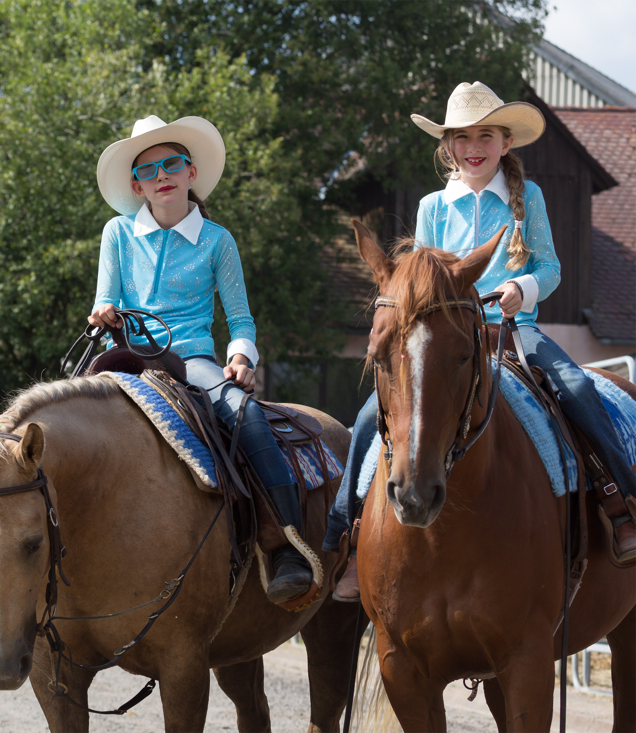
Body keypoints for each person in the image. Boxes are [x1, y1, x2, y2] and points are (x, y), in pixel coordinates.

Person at [327, 82, 636, 601]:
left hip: (515, 331)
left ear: (505, 143)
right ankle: (347, 535)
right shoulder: (432, 206)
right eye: (463, 137)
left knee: (577, 388)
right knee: (364, 419)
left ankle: (619, 503)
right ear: (448, 145)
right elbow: (420, 279)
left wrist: (522, 287)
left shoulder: (528, 197)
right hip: (444, 337)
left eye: (485, 136)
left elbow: (551, 268)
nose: (474, 147)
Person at [92, 115, 315, 605]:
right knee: (58, 418)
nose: (161, 175)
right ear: (137, 186)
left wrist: (240, 357)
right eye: (148, 171)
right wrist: (103, 310)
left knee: (244, 413)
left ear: (191, 173)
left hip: (191, 358)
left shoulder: (218, 241)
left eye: (172, 164)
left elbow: (241, 320)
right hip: (124, 356)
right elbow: (105, 297)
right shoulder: (117, 233)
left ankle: (284, 544)